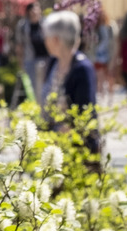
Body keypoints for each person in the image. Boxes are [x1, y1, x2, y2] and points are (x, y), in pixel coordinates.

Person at [42, 10, 99, 160]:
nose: (44, 41)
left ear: (56, 39)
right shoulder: (53, 63)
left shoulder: (82, 69)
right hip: (54, 147)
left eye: (46, 37)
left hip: (77, 147)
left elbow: (85, 112)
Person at [17, 3, 50, 103]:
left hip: (47, 59)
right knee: (35, 88)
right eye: (33, 10)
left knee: (48, 86)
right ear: (28, 12)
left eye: (37, 9)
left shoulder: (46, 23)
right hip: (31, 60)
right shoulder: (23, 26)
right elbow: (19, 46)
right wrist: (20, 64)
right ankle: (39, 109)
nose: (35, 12)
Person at [89, 7, 114, 103]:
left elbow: (112, 42)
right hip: (98, 55)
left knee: (110, 77)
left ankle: (110, 97)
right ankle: (101, 96)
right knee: (99, 76)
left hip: (108, 55)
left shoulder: (110, 27)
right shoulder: (95, 28)